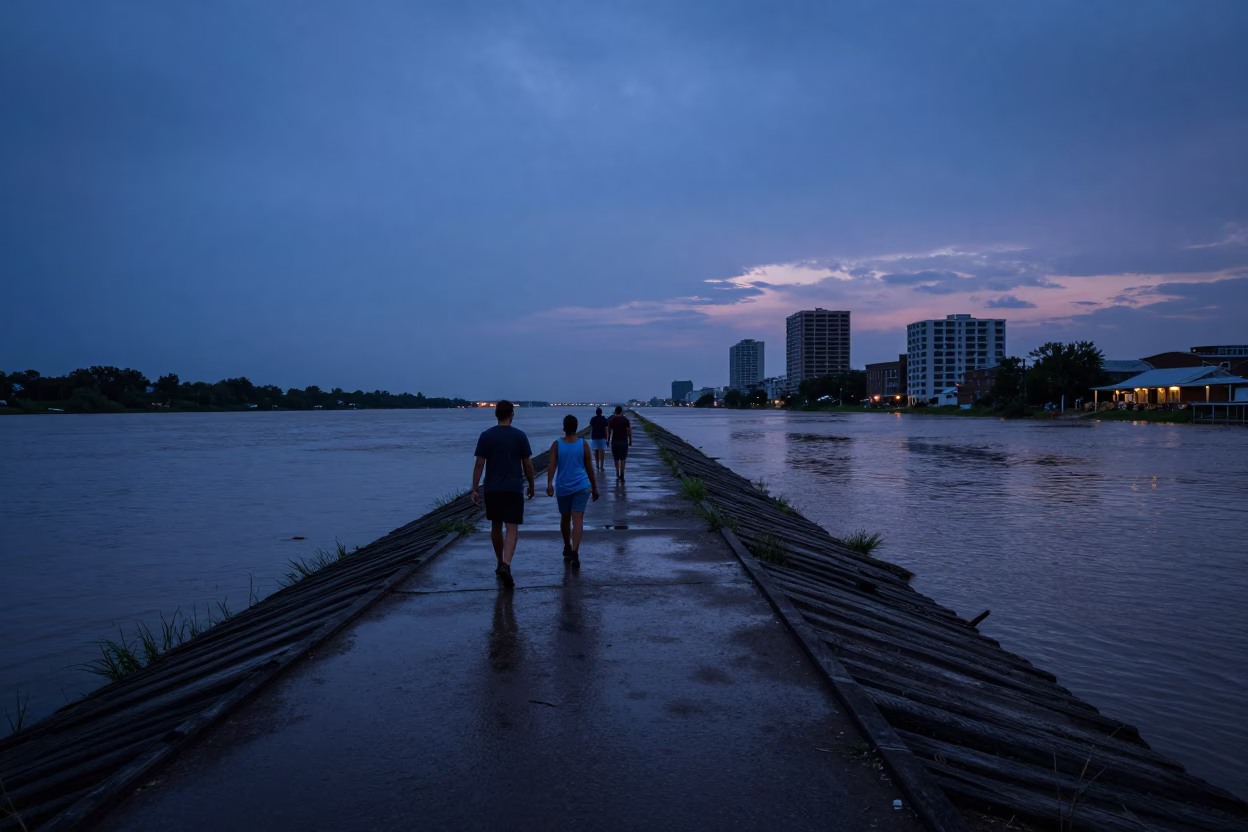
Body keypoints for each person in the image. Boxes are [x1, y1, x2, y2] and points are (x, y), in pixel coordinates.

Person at [471, 400, 535, 587]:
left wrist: (475, 489)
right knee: (512, 528)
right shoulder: (520, 436)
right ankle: (507, 563)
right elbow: (528, 465)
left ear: (496, 414)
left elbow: (479, 464)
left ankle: (499, 562)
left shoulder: (486, 436)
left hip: (492, 488)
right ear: (512, 415)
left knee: (496, 526)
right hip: (514, 488)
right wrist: (531, 484)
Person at [545, 414, 599, 564]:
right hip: (582, 486)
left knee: (565, 518)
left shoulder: (556, 445)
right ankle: (575, 550)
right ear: (576, 428)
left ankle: (567, 546)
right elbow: (589, 469)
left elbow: (551, 466)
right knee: (578, 519)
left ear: (564, 428)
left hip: (563, 487)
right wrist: (594, 488)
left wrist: (549, 484)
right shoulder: (583, 444)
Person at [606, 406, 632, 483]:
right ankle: (622, 473)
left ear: (615, 411)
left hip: (615, 441)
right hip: (624, 441)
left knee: (616, 459)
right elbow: (629, 431)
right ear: (621, 411)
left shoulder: (612, 419)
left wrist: (607, 440)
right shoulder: (625, 420)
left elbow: (609, 431)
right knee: (623, 459)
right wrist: (630, 440)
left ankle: (617, 472)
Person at [588, 407, 609, 471]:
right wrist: (607, 438)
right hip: (602, 437)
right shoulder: (604, 419)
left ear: (596, 412)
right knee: (602, 451)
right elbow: (606, 429)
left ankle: (597, 465)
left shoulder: (593, 419)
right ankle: (601, 466)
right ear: (601, 412)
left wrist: (590, 436)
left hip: (594, 437)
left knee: (596, 451)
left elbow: (591, 429)